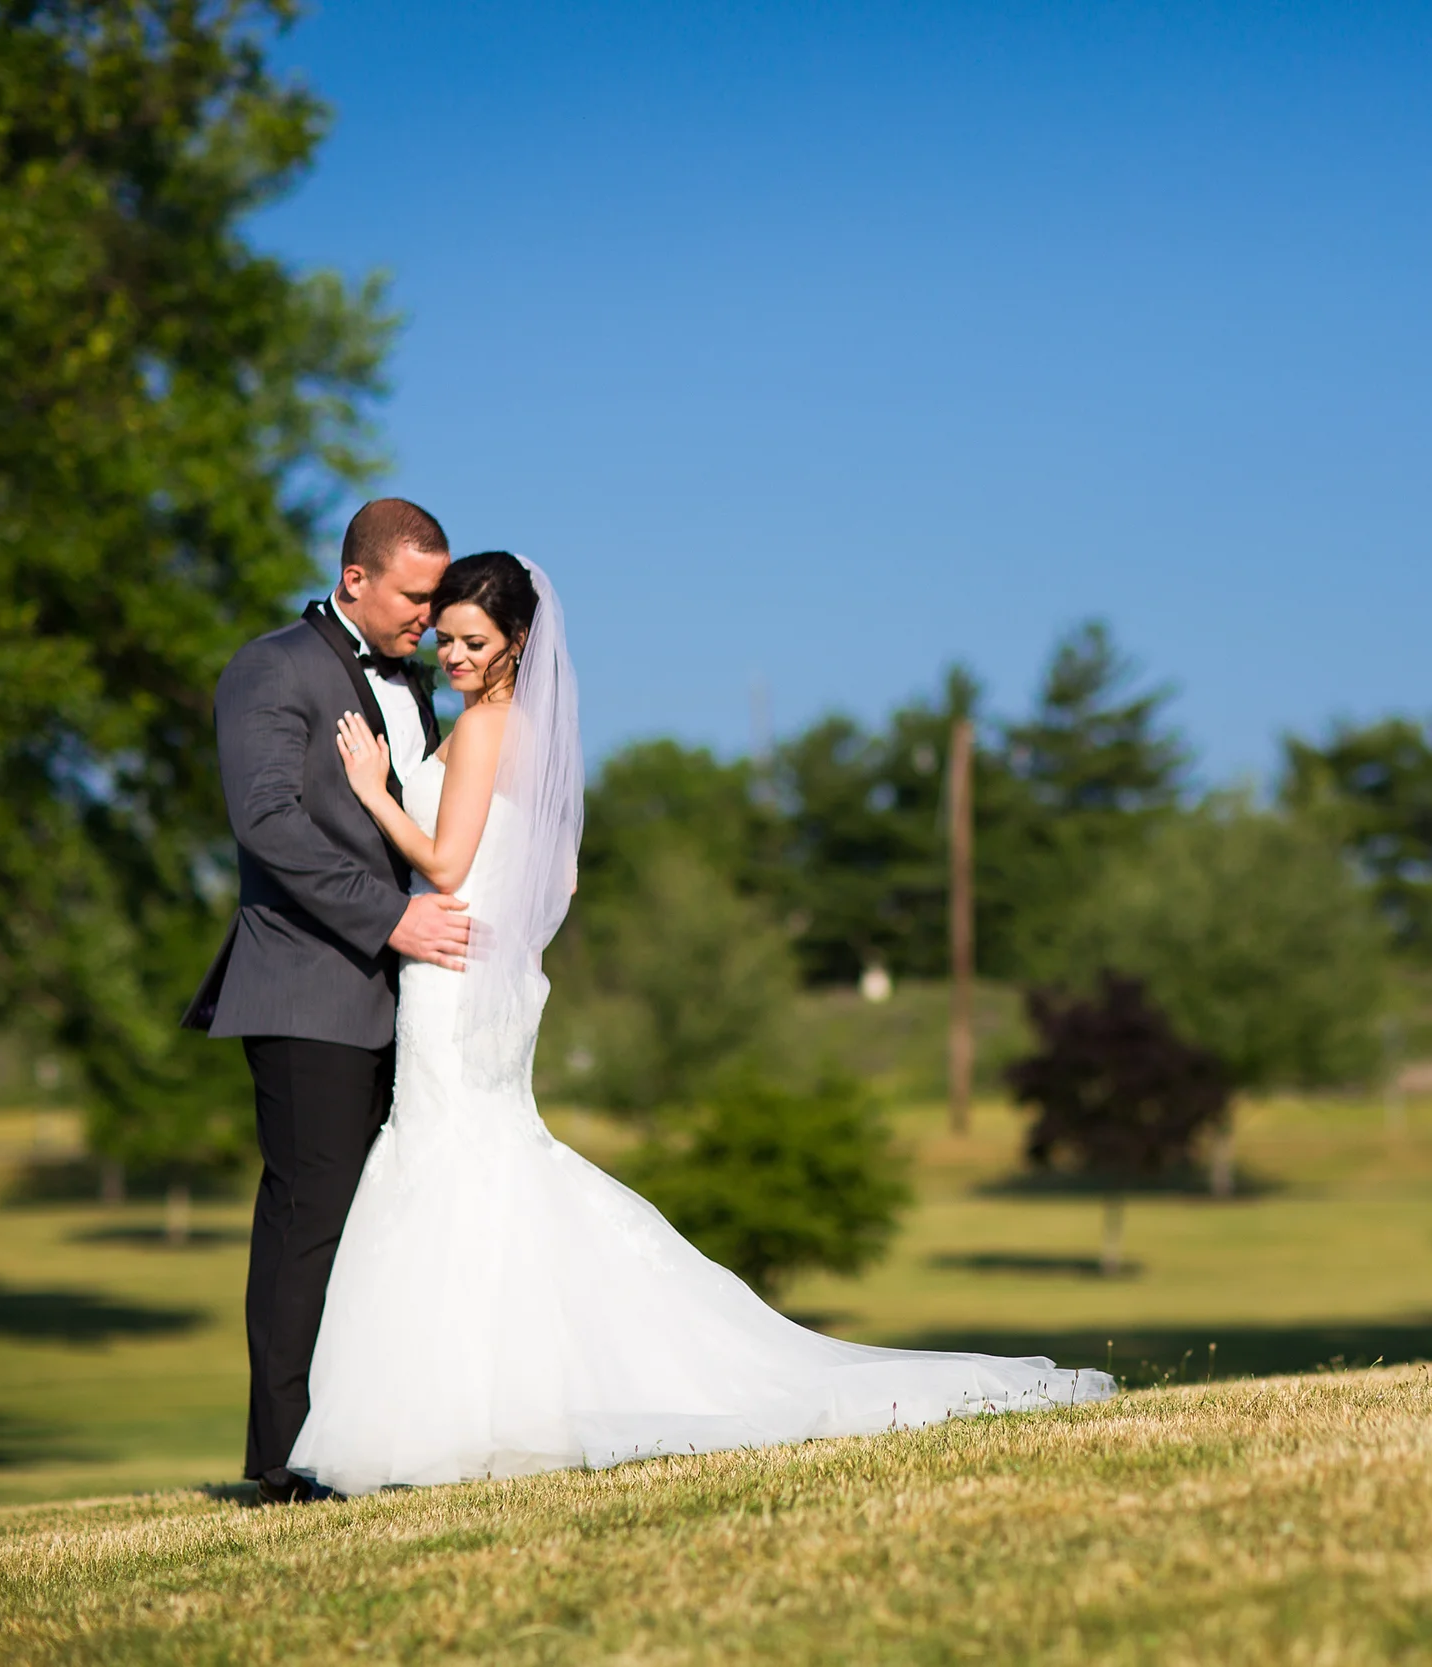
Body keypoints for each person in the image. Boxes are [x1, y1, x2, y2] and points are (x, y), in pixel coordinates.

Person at [285, 551, 1110, 1497]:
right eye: (448, 638)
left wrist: (374, 786)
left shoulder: (480, 733)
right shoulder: (534, 738)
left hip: (451, 975)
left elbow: (443, 858)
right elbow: (560, 880)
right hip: (486, 982)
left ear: (517, 643)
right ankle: (486, 1398)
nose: (455, 655)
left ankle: (451, 1411)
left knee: (450, 1158)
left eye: (476, 642)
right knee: (487, 1159)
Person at [182, 498, 472, 1505]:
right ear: (355, 578)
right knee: (311, 1220)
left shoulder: (412, 681)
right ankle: (284, 1461)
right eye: (415, 596)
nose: (429, 620)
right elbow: (268, 823)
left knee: (383, 1222)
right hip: (306, 986)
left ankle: (362, 1438)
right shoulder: (271, 665)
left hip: (404, 998)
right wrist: (391, 922)